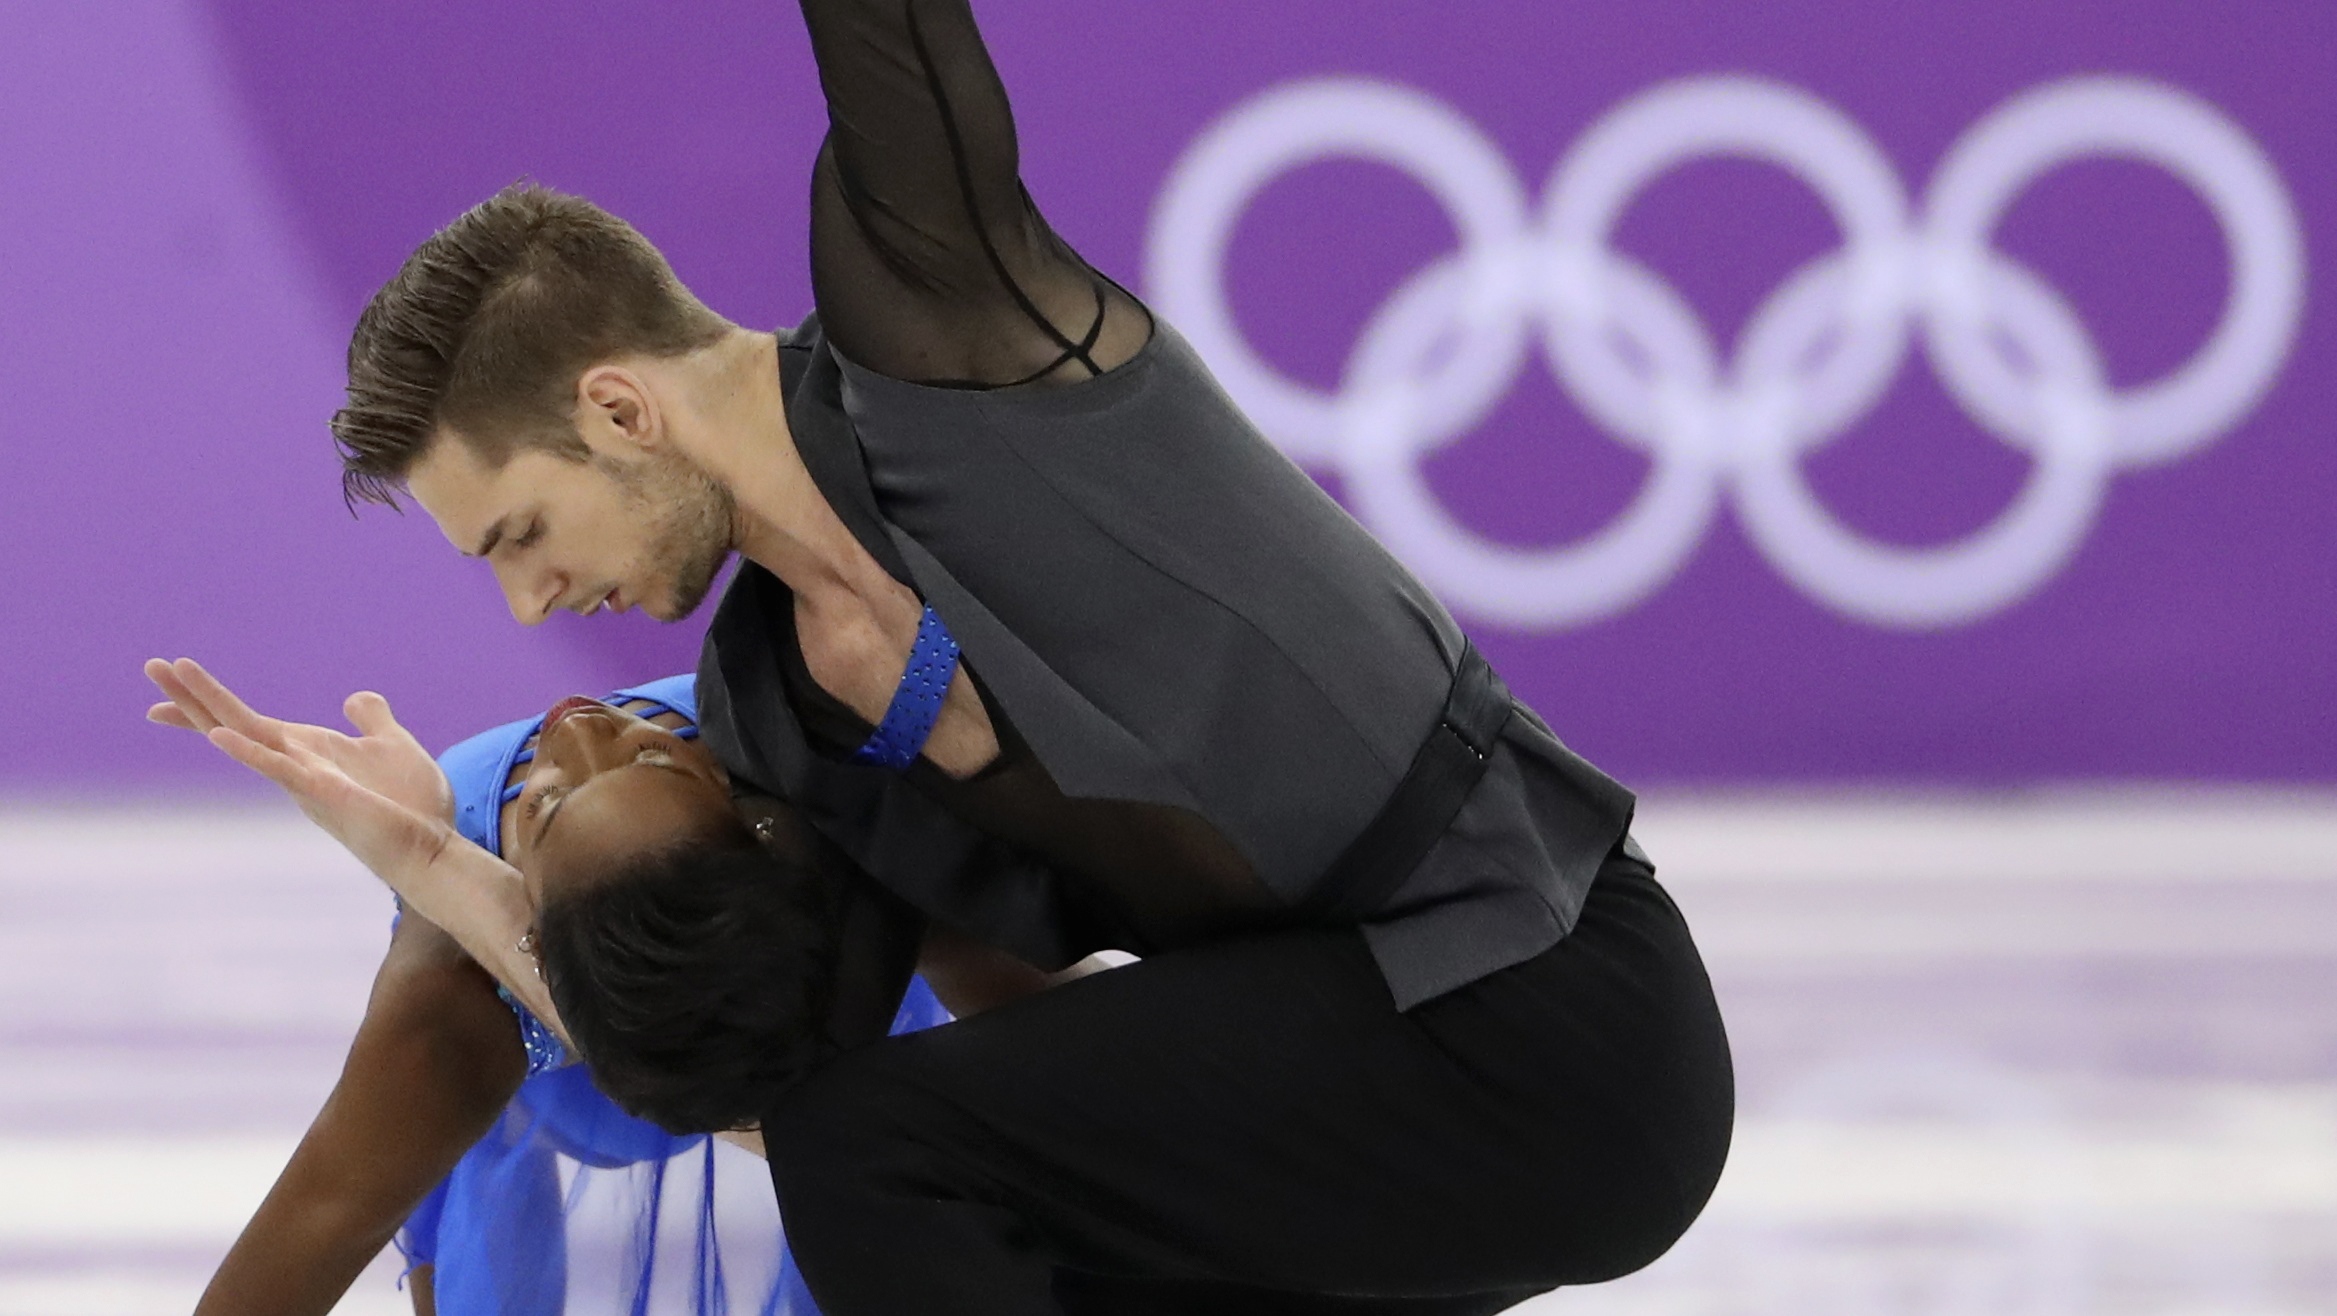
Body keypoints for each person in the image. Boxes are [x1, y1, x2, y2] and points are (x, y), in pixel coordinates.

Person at [273, 1, 1737, 1311]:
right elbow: (756, 1069)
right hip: (1352, 1102)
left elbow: (898, 51)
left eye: (520, 531)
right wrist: (449, 876)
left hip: (1555, 1017)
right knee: (906, 1172)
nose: (535, 605)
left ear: (618, 409)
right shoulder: (769, 705)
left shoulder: (953, 351)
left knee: (881, 1160)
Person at [147, 661, 1076, 1315]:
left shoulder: (851, 839)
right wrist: (432, 859)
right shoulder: (457, 1010)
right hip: (541, 1080)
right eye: (537, 803)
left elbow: (1065, 1123)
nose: (579, 723)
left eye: (654, 753)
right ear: (523, 939)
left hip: (824, 1034)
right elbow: (286, 1261)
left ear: (756, 813)